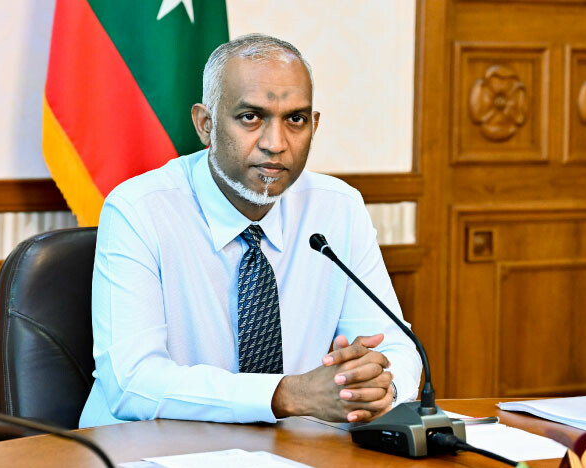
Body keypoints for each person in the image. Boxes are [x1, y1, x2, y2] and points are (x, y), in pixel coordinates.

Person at [79, 33, 421, 428]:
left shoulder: (339, 208)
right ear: (205, 124)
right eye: (250, 117)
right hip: (149, 448)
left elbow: (397, 347)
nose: (276, 144)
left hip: (290, 448)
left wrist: (375, 387)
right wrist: (286, 395)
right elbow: (132, 381)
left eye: (295, 120)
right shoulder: (139, 209)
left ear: (314, 126)